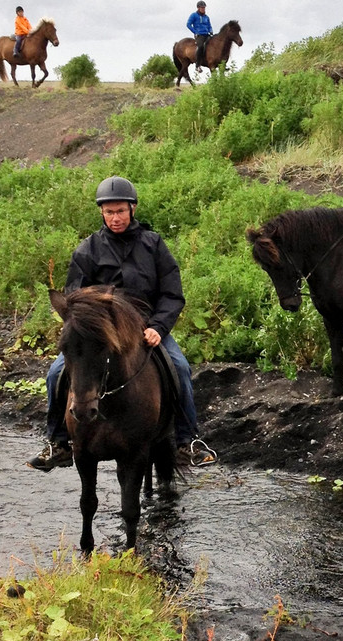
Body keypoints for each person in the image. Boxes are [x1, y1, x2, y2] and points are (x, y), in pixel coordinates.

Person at [27, 176, 211, 471]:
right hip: (102, 336)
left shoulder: (153, 245)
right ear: (102, 212)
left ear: (133, 209)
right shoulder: (87, 250)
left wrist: (158, 327)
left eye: (121, 211)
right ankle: (58, 443)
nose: (115, 218)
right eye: (109, 212)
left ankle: (187, 442)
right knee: (55, 374)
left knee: (180, 368)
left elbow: (172, 294)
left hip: (146, 330)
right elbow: (73, 300)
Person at [186, 1, 213, 75]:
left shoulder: (206, 17)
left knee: (214, 45)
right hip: (199, 35)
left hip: (207, 34)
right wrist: (195, 32)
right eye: (202, 8)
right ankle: (197, 65)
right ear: (198, 8)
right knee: (201, 46)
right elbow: (188, 24)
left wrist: (211, 30)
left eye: (204, 8)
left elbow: (209, 25)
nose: (203, 9)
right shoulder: (194, 15)